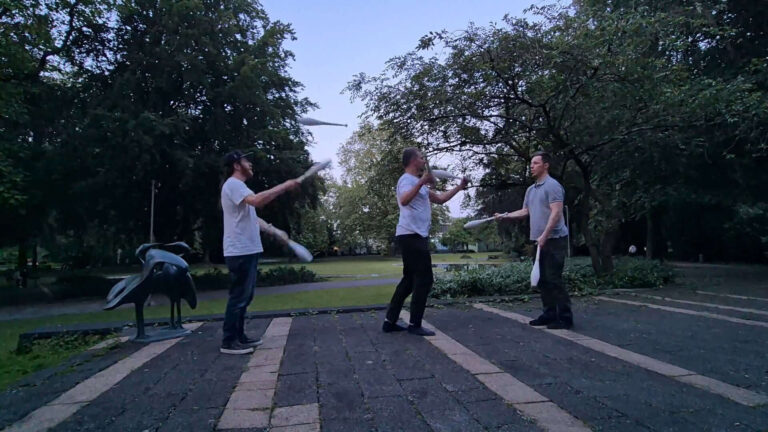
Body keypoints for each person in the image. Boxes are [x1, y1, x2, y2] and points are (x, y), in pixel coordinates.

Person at [220, 150, 300, 354]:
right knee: (239, 297)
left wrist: (274, 231)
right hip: (240, 250)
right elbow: (257, 201)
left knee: (245, 297)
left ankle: (239, 336)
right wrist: (284, 186)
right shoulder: (233, 184)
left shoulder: (240, 187)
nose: (251, 164)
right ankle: (229, 342)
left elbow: (253, 218)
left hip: (247, 249)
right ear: (237, 165)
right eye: (246, 161)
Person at [383, 147, 469, 336]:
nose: (424, 161)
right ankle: (415, 325)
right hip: (411, 235)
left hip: (414, 235)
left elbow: (440, 199)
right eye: (421, 158)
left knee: (408, 281)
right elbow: (404, 200)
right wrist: (423, 181)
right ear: (413, 161)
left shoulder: (416, 182)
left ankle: (389, 321)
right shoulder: (406, 180)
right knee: (424, 279)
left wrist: (459, 187)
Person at [496, 151, 573, 329]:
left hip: (554, 239)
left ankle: (565, 318)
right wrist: (504, 216)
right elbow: (524, 211)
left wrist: (545, 235)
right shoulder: (531, 190)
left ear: (546, 165)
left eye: (536, 163)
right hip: (539, 241)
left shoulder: (553, 186)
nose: (532, 166)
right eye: (531, 163)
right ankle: (549, 314)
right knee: (543, 280)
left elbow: (556, 212)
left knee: (554, 279)